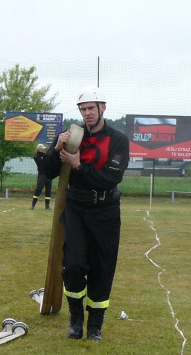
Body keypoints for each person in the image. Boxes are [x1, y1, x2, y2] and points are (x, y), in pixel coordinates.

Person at [41, 88, 130, 341]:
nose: (87, 113)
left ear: (103, 107)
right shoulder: (72, 136)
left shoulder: (118, 140)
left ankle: (95, 326)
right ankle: (76, 319)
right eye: (83, 109)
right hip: (77, 210)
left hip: (106, 211)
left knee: (103, 268)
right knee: (75, 265)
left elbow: (110, 179)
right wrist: (56, 148)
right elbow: (48, 172)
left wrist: (78, 164)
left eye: (91, 108)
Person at [31, 142, 51, 209]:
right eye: (42, 149)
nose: (44, 150)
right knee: (38, 189)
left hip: (48, 175)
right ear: (39, 149)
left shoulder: (45, 155)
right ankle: (33, 205)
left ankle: (47, 205)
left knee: (48, 190)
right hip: (42, 175)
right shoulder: (36, 156)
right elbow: (41, 162)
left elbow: (49, 162)